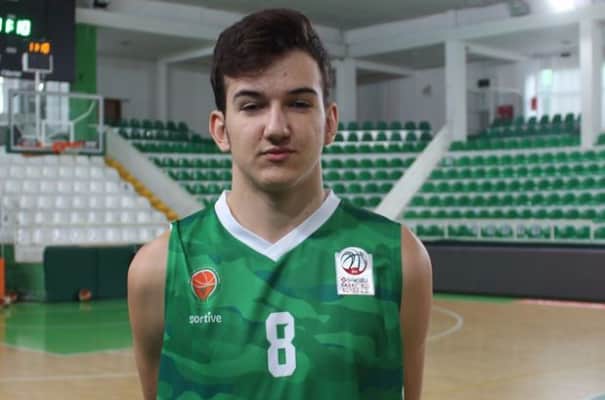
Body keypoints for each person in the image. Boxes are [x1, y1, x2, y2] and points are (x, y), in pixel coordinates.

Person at [128, 8, 432, 400]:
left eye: (299, 103)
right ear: (220, 129)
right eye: (251, 105)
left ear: (330, 123)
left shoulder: (398, 258)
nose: (276, 128)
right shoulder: (159, 269)